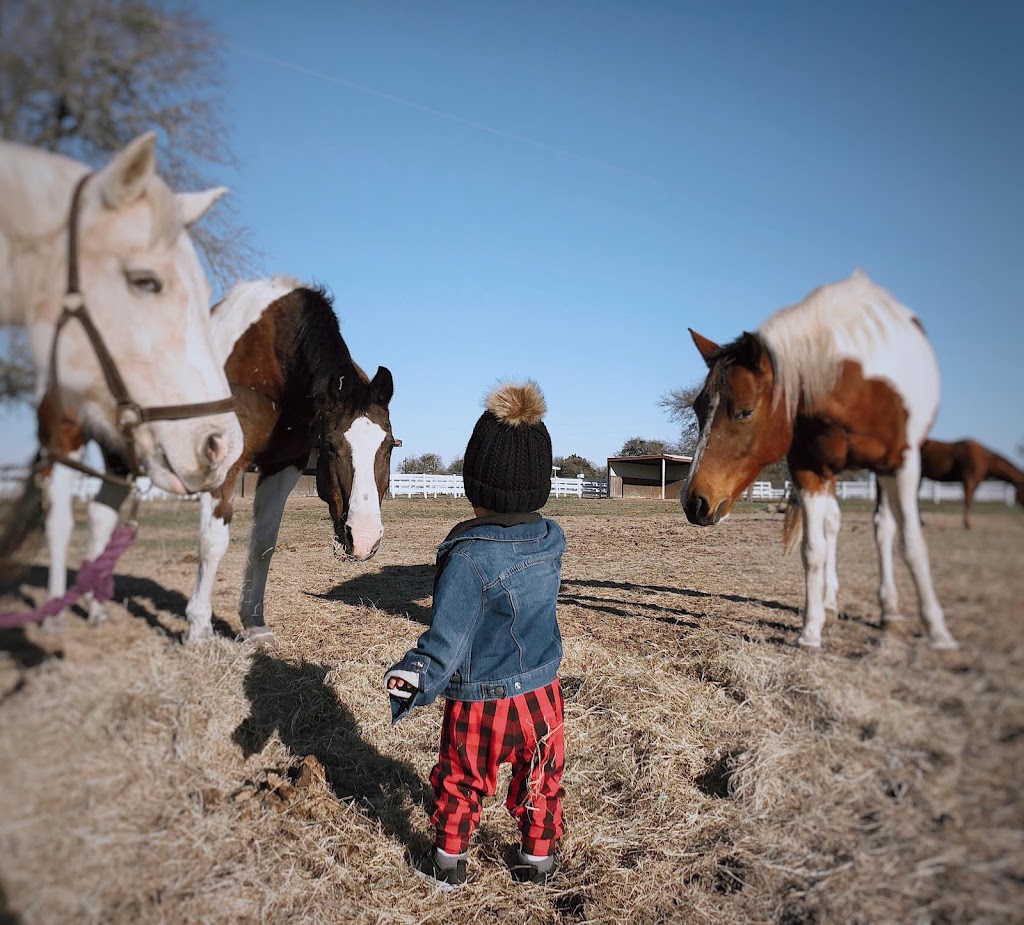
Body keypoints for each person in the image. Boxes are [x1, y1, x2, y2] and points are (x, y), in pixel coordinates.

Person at [384, 380, 567, 890]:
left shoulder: (467, 556)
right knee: (541, 779)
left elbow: (446, 640)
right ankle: (538, 860)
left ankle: (448, 864)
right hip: (543, 694)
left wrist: (416, 677)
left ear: (475, 482)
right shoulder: (551, 540)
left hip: (481, 701)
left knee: (461, 780)